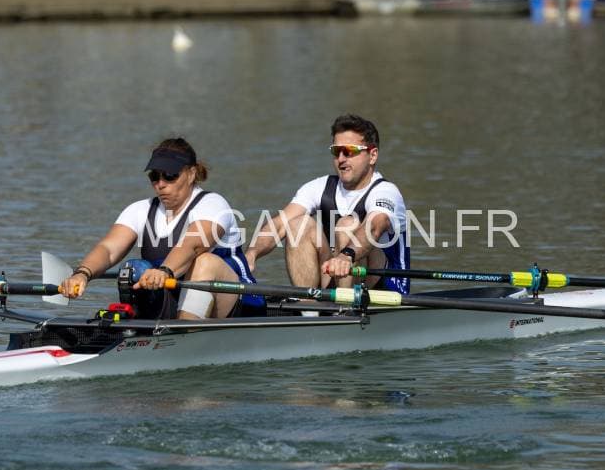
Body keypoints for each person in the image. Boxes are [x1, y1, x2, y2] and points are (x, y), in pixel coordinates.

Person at [58, 138, 265, 320]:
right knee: (133, 268)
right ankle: (147, 334)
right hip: (180, 300)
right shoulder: (140, 210)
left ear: (191, 174)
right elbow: (108, 249)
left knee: (205, 262)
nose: (161, 184)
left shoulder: (213, 204)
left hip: (241, 302)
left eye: (170, 175)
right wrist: (82, 274)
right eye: (154, 176)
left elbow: (193, 245)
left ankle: (183, 335)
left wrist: (165, 271)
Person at [245, 115, 410, 295]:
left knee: (347, 225)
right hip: (335, 277)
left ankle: (344, 305)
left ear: (372, 155)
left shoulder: (386, 192)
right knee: (298, 224)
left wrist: (346, 255)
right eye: (336, 151)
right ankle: (307, 306)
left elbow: (375, 226)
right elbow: (279, 225)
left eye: (349, 151)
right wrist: (251, 254)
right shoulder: (319, 186)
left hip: (387, 287)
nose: (341, 159)